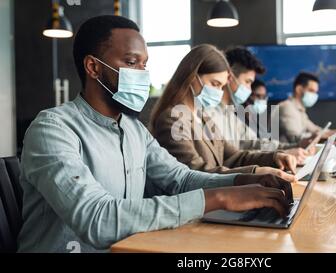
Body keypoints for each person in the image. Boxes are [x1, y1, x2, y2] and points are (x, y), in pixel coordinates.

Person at [17, 16, 293, 253]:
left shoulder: (134, 130)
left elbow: (180, 178)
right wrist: (218, 198)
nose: (142, 74)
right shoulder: (53, 129)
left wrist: (244, 180)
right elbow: (95, 218)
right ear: (93, 67)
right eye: (131, 62)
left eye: (144, 65)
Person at [150, 44, 297, 182]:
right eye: (214, 84)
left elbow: (233, 156)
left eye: (221, 86)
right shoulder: (173, 119)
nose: (219, 92)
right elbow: (195, 173)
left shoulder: (203, 116)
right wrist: (255, 172)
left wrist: (274, 157)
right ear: (192, 77)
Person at [206, 47, 310, 163]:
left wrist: (290, 148)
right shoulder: (209, 113)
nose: (249, 90)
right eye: (247, 82)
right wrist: (279, 155)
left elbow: (253, 143)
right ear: (229, 78)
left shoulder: (229, 113)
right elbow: (231, 157)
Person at [273, 72, 326, 145]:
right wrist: (321, 135)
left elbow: (314, 129)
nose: (314, 95)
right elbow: (295, 138)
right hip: (282, 153)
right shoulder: (286, 107)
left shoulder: (300, 109)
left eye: (315, 92)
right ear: (299, 89)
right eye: (311, 91)